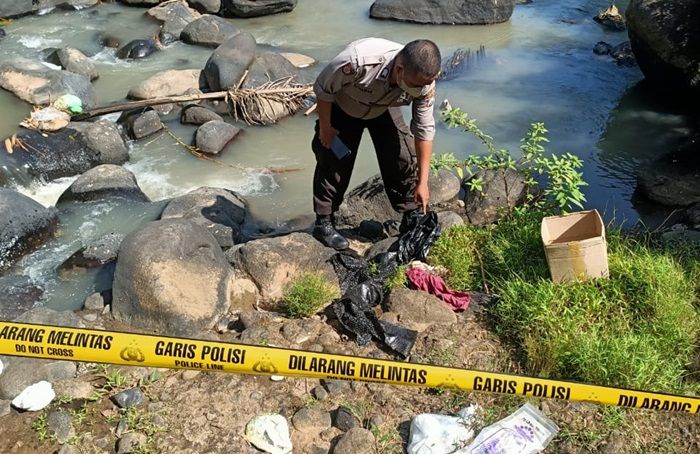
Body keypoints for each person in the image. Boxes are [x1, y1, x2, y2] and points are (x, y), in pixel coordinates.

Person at [310, 37, 441, 250]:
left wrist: (423, 183)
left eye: (424, 84)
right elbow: (324, 88)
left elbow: (424, 128)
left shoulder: (424, 80)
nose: (420, 89)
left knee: (402, 155)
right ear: (399, 69)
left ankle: (411, 215)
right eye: (416, 85)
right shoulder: (357, 61)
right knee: (333, 160)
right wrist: (325, 126)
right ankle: (324, 222)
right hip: (344, 107)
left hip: (384, 107)